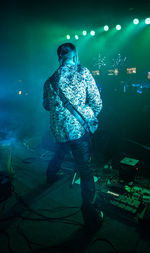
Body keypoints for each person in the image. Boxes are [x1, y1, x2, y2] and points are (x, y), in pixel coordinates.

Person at [43, 43, 103, 233]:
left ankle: (50, 176)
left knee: (60, 153)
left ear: (59, 57)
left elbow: (46, 106)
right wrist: (89, 117)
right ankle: (91, 217)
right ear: (75, 56)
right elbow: (97, 102)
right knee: (85, 172)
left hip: (60, 132)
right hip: (78, 131)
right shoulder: (83, 72)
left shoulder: (49, 80)